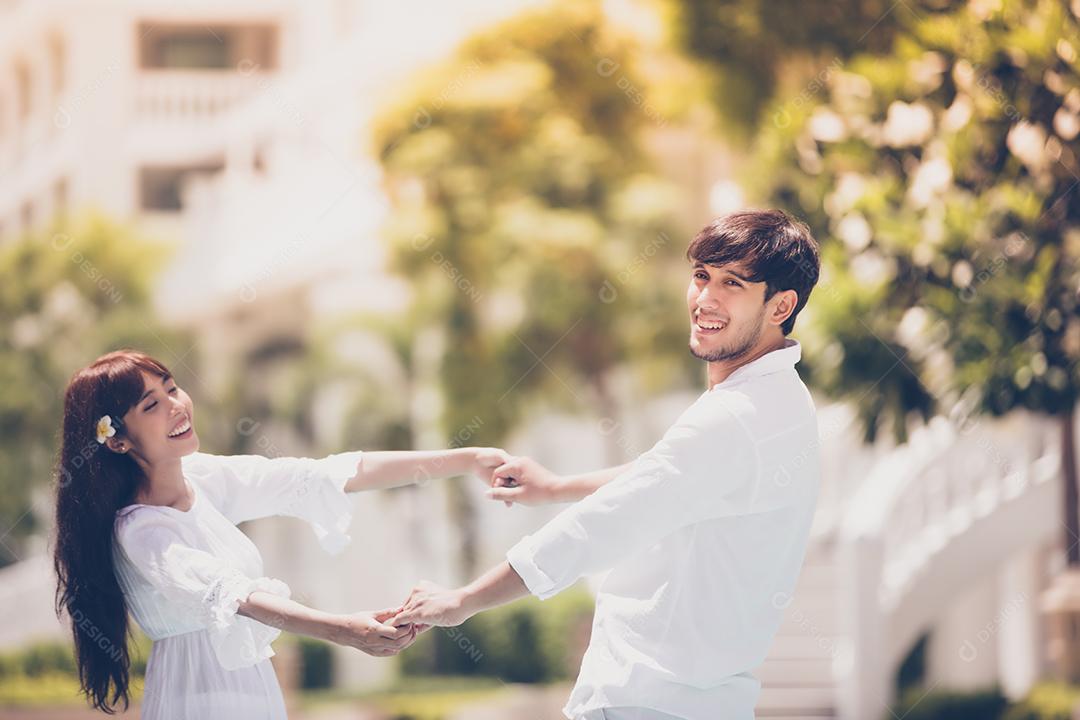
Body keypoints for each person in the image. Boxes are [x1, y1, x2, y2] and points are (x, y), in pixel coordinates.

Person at [392, 209, 823, 720]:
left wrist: (462, 600)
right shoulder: (781, 404)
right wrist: (555, 487)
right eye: (702, 276)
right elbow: (668, 476)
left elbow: (596, 528)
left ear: (782, 305)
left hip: (647, 704)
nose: (706, 297)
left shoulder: (732, 418)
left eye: (733, 283)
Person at [52, 349, 508, 718]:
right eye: (151, 405)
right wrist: (343, 629)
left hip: (254, 693)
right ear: (117, 440)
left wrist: (470, 459)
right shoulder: (140, 529)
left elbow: (325, 475)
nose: (176, 406)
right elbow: (233, 595)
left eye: (171, 388)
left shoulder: (205, 478)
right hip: (197, 699)